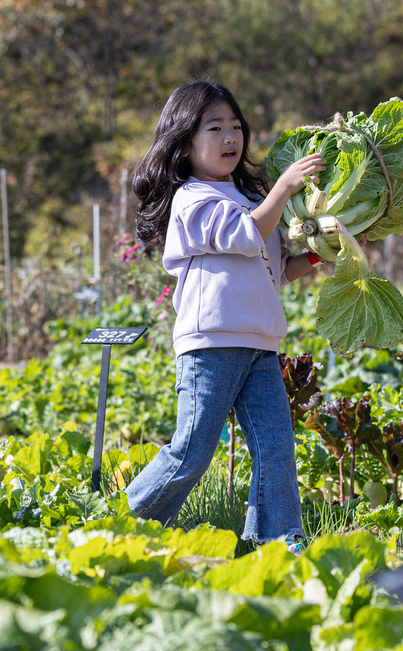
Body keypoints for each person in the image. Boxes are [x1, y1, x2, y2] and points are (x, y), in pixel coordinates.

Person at [121, 81, 326, 553]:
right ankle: (124, 520)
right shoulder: (192, 200)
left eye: (235, 126)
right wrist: (284, 187)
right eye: (214, 128)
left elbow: (275, 269)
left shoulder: (251, 198)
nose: (230, 136)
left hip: (260, 343)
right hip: (210, 343)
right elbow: (245, 237)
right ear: (185, 142)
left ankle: (279, 541)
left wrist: (318, 256)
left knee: (276, 447)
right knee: (192, 451)